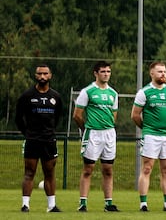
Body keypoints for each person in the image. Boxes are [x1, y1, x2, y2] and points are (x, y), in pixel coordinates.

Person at [17, 63, 64, 213]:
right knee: (29, 172)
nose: (42, 76)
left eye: (45, 74)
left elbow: (57, 118)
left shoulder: (56, 97)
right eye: (39, 74)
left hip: (49, 140)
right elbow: (18, 118)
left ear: (50, 76)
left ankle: (51, 206)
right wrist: (28, 133)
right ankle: (25, 205)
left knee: (49, 173)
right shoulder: (27, 96)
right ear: (35, 76)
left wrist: (49, 131)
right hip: (32, 140)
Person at [132, 61, 166, 211]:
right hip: (151, 135)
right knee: (147, 168)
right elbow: (135, 115)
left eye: (164, 71)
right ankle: (143, 203)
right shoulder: (144, 92)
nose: (163, 74)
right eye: (160, 72)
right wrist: (147, 128)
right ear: (152, 73)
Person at [74, 60, 119, 212]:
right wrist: (86, 129)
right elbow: (77, 115)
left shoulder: (113, 93)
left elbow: (114, 116)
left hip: (109, 134)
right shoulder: (87, 91)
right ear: (96, 73)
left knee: (108, 169)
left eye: (108, 71)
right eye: (103, 72)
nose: (106, 74)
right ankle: (83, 203)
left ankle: (108, 203)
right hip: (93, 133)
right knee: (88, 168)